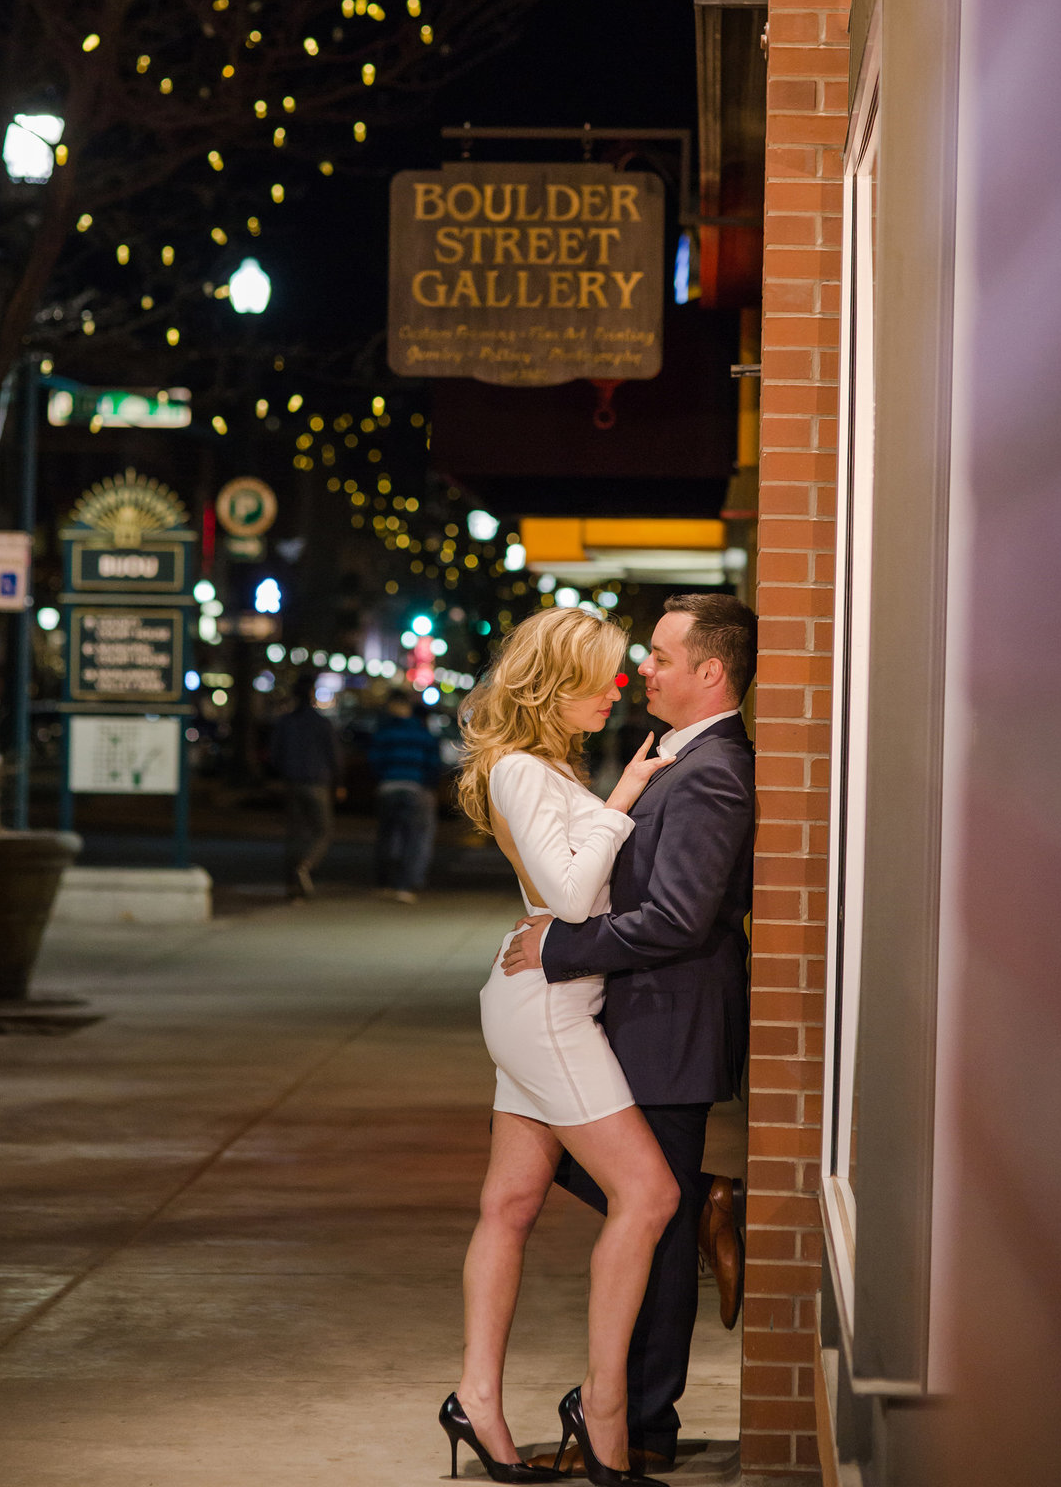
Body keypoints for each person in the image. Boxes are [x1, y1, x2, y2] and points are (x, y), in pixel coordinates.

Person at [502, 593, 756, 1475]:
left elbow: (681, 918)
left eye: (658, 654)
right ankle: (708, 1199)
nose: (641, 668)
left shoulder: (716, 768)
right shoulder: (676, 758)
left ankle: (645, 1424)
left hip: (670, 1019)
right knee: (642, 1198)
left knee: (652, 1212)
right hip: (643, 1012)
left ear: (709, 672)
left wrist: (559, 948)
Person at [440, 607, 680, 1487]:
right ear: (557, 679)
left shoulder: (540, 768)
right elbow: (574, 901)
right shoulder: (517, 772)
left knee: (509, 1205)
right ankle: (604, 1411)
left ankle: (477, 1401)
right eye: (605, 673)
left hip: (540, 999)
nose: (618, 687)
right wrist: (621, 803)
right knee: (649, 1194)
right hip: (547, 1010)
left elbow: (564, 896)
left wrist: (605, 800)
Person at [368, 689, 444, 903]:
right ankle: (406, 885)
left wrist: (384, 777)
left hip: (388, 787)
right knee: (415, 838)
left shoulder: (383, 733)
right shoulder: (422, 734)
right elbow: (432, 764)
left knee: (387, 836)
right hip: (415, 788)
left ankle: (384, 882)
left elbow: (374, 761)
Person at [268, 677, 338, 899]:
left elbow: (275, 754)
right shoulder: (321, 723)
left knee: (294, 832)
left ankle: (292, 885)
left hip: (292, 782)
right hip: (316, 782)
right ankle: (306, 866)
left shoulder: (286, 722)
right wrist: (339, 781)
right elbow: (334, 754)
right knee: (323, 830)